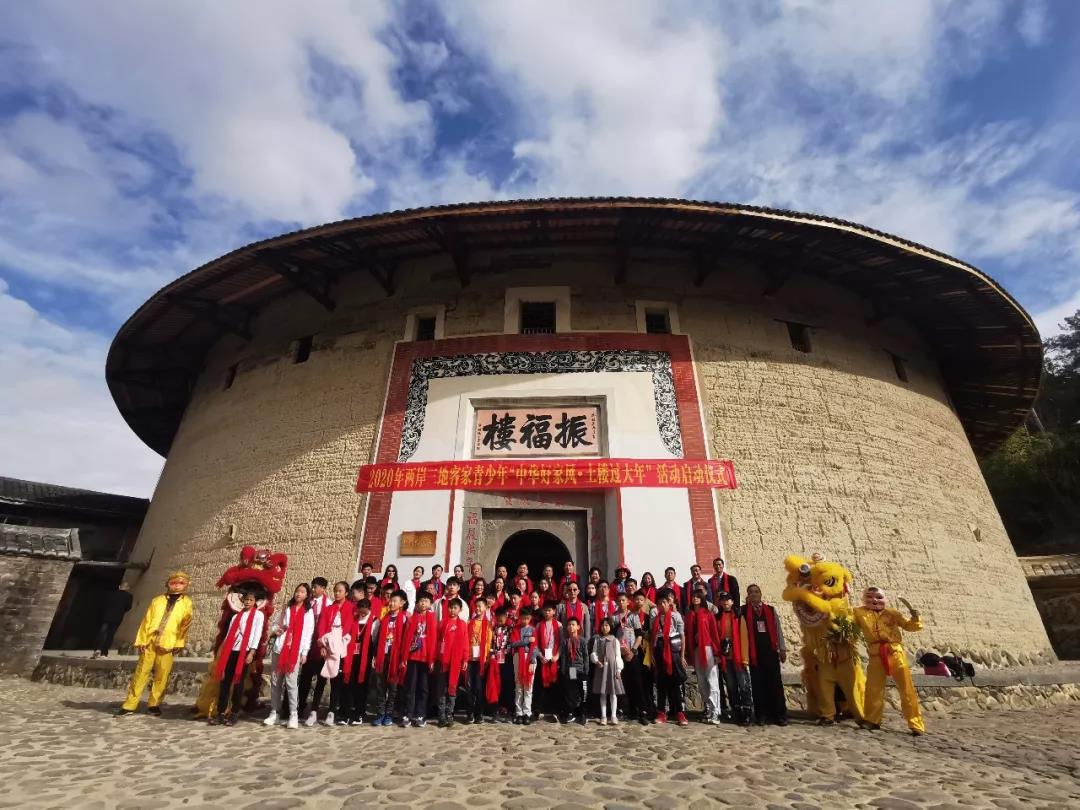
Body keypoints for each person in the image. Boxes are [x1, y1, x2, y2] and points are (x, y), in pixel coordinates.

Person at [117, 571, 193, 716]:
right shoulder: (157, 600)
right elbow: (147, 620)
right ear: (168, 584)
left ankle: (154, 704)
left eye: (181, 583)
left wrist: (179, 642)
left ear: (186, 585)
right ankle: (130, 705)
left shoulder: (187, 603)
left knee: (162, 675)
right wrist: (142, 639)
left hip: (169, 643)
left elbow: (185, 625)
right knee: (141, 673)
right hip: (150, 642)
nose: (177, 586)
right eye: (174, 583)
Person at [853, 587, 925, 736]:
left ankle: (916, 724)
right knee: (873, 689)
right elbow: (849, 624)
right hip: (876, 654)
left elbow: (910, 626)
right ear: (863, 599)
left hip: (895, 653)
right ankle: (872, 720)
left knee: (907, 689)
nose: (874, 600)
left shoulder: (893, 613)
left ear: (885, 599)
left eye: (879, 597)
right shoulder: (858, 613)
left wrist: (915, 617)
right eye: (870, 597)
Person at [209, 590, 265, 726]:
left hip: (245, 651)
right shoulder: (236, 616)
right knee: (225, 682)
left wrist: (252, 652)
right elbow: (229, 634)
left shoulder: (258, 615)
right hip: (231, 650)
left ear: (255, 602)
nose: (248, 602)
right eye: (246, 599)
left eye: (251, 600)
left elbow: (257, 634)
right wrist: (223, 652)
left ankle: (234, 713)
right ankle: (221, 712)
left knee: (238, 682)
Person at [264, 582, 315, 729]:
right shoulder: (286, 608)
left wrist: (304, 652)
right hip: (280, 648)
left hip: (295, 651)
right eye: (297, 591)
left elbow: (308, 634)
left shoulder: (308, 612)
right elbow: (275, 623)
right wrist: (276, 630)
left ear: (307, 595)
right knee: (275, 681)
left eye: (302, 592)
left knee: (291, 684)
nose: (299, 594)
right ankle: (274, 712)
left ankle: (293, 714)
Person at [744, 584, 787, 726]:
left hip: (770, 652)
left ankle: (779, 715)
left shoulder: (770, 610)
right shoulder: (744, 611)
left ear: (760, 594)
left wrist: (782, 648)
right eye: (751, 592)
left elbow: (778, 629)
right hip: (754, 654)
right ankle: (762, 715)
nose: (754, 594)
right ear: (748, 595)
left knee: (775, 684)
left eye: (756, 591)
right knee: (758, 685)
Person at [316, 581, 353, 727]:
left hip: (339, 648)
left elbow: (347, 628)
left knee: (336, 682)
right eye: (335, 590)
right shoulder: (328, 609)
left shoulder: (350, 608)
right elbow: (322, 627)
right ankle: (314, 710)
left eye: (340, 591)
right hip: (326, 647)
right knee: (321, 679)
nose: (337, 593)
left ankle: (332, 711)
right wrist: (323, 644)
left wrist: (335, 645)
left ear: (346, 593)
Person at [371, 590, 409, 727]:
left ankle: (389, 713)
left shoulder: (404, 619)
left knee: (393, 688)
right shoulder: (384, 619)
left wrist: (403, 659)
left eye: (395, 601)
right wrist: (375, 656)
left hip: (396, 658)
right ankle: (380, 713)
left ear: (402, 603)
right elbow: (377, 639)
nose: (391, 603)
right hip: (383, 656)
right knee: (380, 687)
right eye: (390, 601)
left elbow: (406, 641)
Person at [715, 591, 752, 726]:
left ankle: (747, 712)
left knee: (743, 684)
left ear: (732, 602)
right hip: (726, 658)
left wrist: (745, 658)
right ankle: (736, 711)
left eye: (728, 600)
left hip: (738, 657)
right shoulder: (718, 617)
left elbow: (744, 637)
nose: (725, 602)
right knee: (731, 686)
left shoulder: (738, 616)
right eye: (723, 600)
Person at [400, 591, 438, 727]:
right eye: (421, 601)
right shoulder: (411, 619)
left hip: (426, 658)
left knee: (423, 687)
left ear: (430, 604)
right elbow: (406, 638)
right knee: (410, 687)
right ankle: (408, 714)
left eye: (426, 601)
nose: (423, 603)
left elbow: (434, 640)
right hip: (412, 657)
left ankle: (420, 714)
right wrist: (404, 657)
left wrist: (432, 659)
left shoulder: (433, 619)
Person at [297, 576, 332, 723]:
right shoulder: (307, 602)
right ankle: (300, 706)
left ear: (323, 589)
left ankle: (314, 709)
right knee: (304, 678)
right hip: (308, 646)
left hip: (322, 648)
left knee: (320, 681)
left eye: (316, 586)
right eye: (312, 586)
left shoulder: (329, 604)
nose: (313, 589)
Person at [651, 590, 688, 726]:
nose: (662, 605)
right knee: (661, 684)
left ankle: (680, 713)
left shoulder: (675, 616)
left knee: (675, 684)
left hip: (673, 651)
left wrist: (682, 655)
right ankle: (661, 712)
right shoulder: (655, 619)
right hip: (659, 651)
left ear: (669, 603)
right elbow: (653, 637)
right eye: (659, 603)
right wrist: (652, 654)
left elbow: (682, 636)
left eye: (664, 602)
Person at [685, 589, 721, 724]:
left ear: (702, 599)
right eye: (693, 596)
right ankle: (708, 708)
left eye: (698, 596)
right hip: (696, 650)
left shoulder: (707, 614)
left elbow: (714, 634)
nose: (695, 598)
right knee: (701, 681)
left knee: (712, 679)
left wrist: (717, 652)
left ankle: (716, 711)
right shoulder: (689, 615)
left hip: (707, 648)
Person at [340, 597, 376, 726]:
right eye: (360, 611)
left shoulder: (375, 621)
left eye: (364, 612)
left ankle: (359, 713)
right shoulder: (354, 619)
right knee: (348, 684)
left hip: (365, 658)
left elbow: (375, 641)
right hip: (351, 657)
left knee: (361, 686)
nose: (362, 614)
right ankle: (345, 713)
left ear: (369, 609)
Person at [613, 591, 648, 724]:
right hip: (619, 655)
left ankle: (642, 711)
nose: (621, 603)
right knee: (624, 682)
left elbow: (639, 635)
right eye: (619, 600)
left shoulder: (633, 616)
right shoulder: (613, 617)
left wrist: (633, 650)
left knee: (637, 683)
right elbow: (612, 636)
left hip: (632, 654)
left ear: (628, 602)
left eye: (623, 600)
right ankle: (629, 710)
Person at [435, 597, 469, 727]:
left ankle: (450, 713)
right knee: (441, 688)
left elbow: (465, 643)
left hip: (456, 661)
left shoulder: (462, 624)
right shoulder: (442, 623)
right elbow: (437, 640)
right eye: (450, 607)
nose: (452, 610)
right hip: (443, 661)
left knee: (452, 687)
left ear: (460, 609)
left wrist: (465, 658)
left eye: (455, 608)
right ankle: (441, 715)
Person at [590, 617, 624, 725]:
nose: (604, 628)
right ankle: (603, 716)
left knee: (613, 693)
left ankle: (613, 715)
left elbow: (618, 656)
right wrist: (596, 661)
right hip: (601, 669)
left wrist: (618, 669)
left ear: (611, 627)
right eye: (603, 625)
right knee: (603, 693)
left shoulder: (615, 640)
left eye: (607, 625)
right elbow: (594, 653)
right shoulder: (598, 640)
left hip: (612, 669)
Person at [533, 602, 562, 722]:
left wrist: (557, 656)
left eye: (549, 610)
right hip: (543, 658)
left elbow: (561, 643)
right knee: (541, 685)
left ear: (554, 611)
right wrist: (540, 656)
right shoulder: (539, 625)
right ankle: (539, 710)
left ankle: (555, 711)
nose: (547, 612)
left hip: (554, 659)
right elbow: (535, 644)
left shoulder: (559, 625)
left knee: (554, 684)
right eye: (545, 610)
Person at [559, 616, 589, 725]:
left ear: (578, 627)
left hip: (581, 669)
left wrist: (586, 670)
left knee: (583, 692)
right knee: (572, 691)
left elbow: (586, 656)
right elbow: (563, 657)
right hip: (571, 669)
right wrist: (563, 669)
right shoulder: (565, 641)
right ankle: (570, 713)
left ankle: (582, 713)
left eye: (573, 625)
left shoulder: (582, 640)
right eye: (569, 625)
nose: (571, 627)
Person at [509, 606, 537, 724]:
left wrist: (532, 661)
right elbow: (513, 644)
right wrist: (526, 641)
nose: (525, 620)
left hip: (529, 658)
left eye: (527, 618)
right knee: (519, 685)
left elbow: (535, 647)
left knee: (528, 686)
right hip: (518, 657)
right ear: (519, 617)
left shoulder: (533, 630)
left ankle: (527, 712)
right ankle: (518, 712)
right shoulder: (515, 629)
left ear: (530, 618)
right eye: (523, 618)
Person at [465, 601, 492, 723]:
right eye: (476, 606)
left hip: (481, 659)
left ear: (485, 608)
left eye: (480, 606)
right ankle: (470, 712)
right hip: (470, 659)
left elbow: (489, 642)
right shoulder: (469, 623)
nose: (478, 608)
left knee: (479, 687)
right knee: (470, 687)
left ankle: (479, 713)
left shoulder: (488, 624)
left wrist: (487, 658)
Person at [632, 589, 656, 720]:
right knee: (637, 681)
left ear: (645, 601)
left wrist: (646, 635)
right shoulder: (629, 616)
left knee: (648, 681)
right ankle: (638, 708)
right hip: (635, 650)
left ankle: (650, 708)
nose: (639, 602)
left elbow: (652, 632)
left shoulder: (648, 617)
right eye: (636, 599)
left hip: (647, 651)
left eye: (641, 600)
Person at [487, 605, 515, 722]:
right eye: (498, 616)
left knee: (507, 685)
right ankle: (495, 711)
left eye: (502, 616)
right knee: (495, 685)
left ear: (506, 616)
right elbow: (489, 643)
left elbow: (513, 643)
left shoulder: (510, 629)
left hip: (507, 660)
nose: (500, 618)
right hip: (495, 661)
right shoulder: (492, 629)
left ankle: (509, 710)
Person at [94, 581, 133, 659]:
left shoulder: (111, 593)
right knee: (110, 635)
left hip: (106, 616)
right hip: (117, 617)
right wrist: (121, 610)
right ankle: (104, 653)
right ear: (127, 588)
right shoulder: (129, 596)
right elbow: (128, 607)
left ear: (119, 587)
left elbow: (104, 603)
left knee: (102, 632)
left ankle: (98, 649)